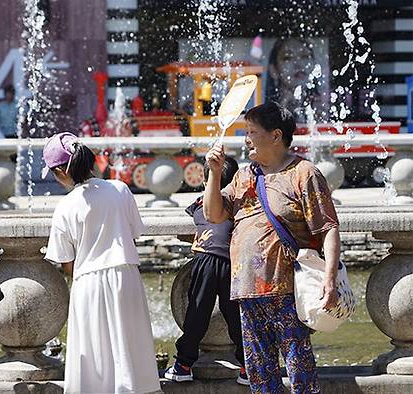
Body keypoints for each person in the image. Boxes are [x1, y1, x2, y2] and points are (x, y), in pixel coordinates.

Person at [204, 102, 340, 393]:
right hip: (247, 290)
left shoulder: (304, 173)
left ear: (276, 135)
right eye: (245, 131)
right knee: (260, 375)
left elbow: (328, 228)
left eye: (252, 131)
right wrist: (214, 174)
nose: (246, 138)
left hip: (287, 290)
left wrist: (330, 280)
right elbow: (214, 214)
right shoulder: (244, 175)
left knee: (299, 370)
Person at [43, 132, 160, 394]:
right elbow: (131, 233)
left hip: (88, 281)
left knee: (94, 365)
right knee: (129, 353)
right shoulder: (120, 189)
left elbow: (66, 262)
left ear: (61, 171)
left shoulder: (65, 206)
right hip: (125, 275)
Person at [164, 156, 248, 386]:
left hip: (206, 261)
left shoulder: (201, 203)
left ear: (204, 179)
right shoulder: (237, 203)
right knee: (237, 318)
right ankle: (248, 366)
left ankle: (183, 365)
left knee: (197, 314)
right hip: (232, 262)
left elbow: (187, 226)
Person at [266, 38, 324, 122]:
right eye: (287, 58)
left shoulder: (326, 109)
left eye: (305, 56)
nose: (298, 63)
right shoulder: (264, 116)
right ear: (274, 70)